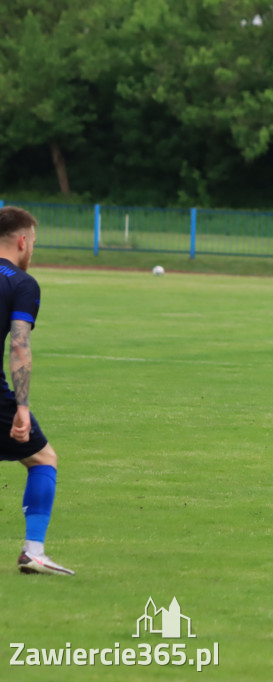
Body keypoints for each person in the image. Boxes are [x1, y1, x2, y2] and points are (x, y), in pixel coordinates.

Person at [0, 206, 74, 575]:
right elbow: (19, 344)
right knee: (43, 459)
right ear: (23, 241)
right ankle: (33, 551)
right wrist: (22, 407)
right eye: (34, 244)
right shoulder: (21, 283)